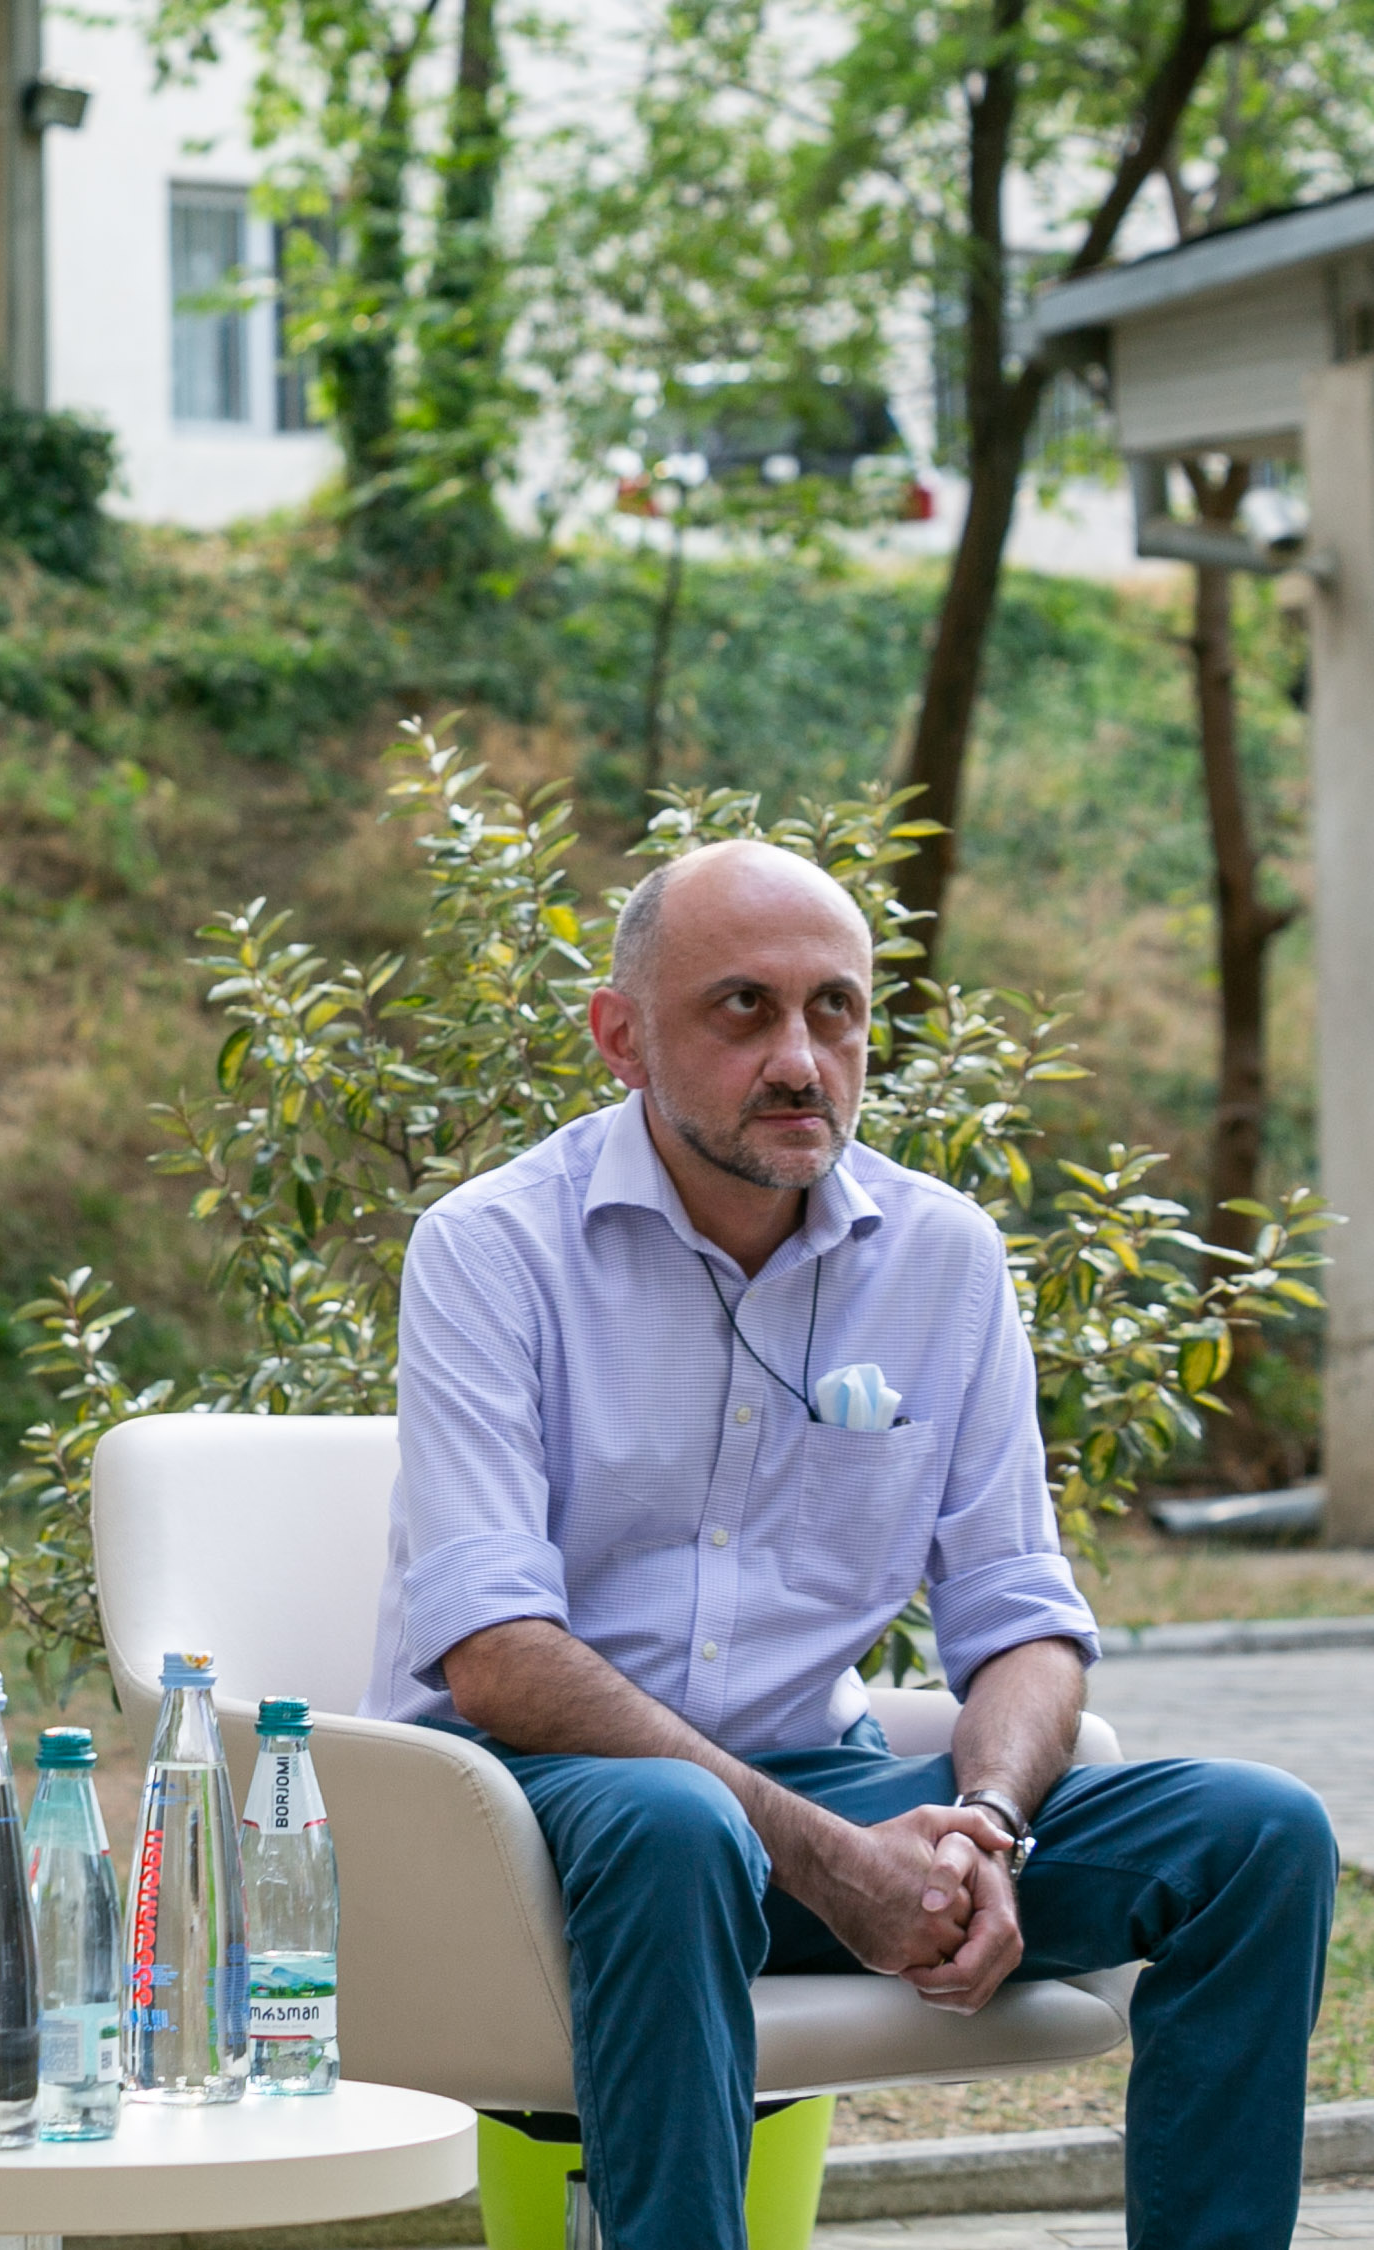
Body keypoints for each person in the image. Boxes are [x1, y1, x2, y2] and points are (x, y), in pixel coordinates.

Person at [366, 838, 1335, 2250]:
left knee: (1255, 1834)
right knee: (679, 1823)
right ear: (621, 1036)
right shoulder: (492, 1248)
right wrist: (834, 1862)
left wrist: (986, 1824)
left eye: (836, 1010)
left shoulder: (943, 1256)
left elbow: (1021, 1618)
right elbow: (501, 1661)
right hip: (525, 1817)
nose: (800, 1059)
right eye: (742, 1008)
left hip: (811, 1791)